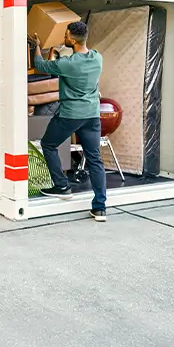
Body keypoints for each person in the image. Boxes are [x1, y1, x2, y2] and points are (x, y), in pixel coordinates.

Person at [30, 21, 107, 222]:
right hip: (92, 114)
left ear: (72, 39)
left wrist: (36, 45)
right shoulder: (97, 57)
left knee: (48, 144)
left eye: (65, 35)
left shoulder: (68, 64)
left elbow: (40, 65)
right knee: (95, 158)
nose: (64, 37)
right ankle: (100, 208)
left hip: (71, 114)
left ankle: (62, 186)